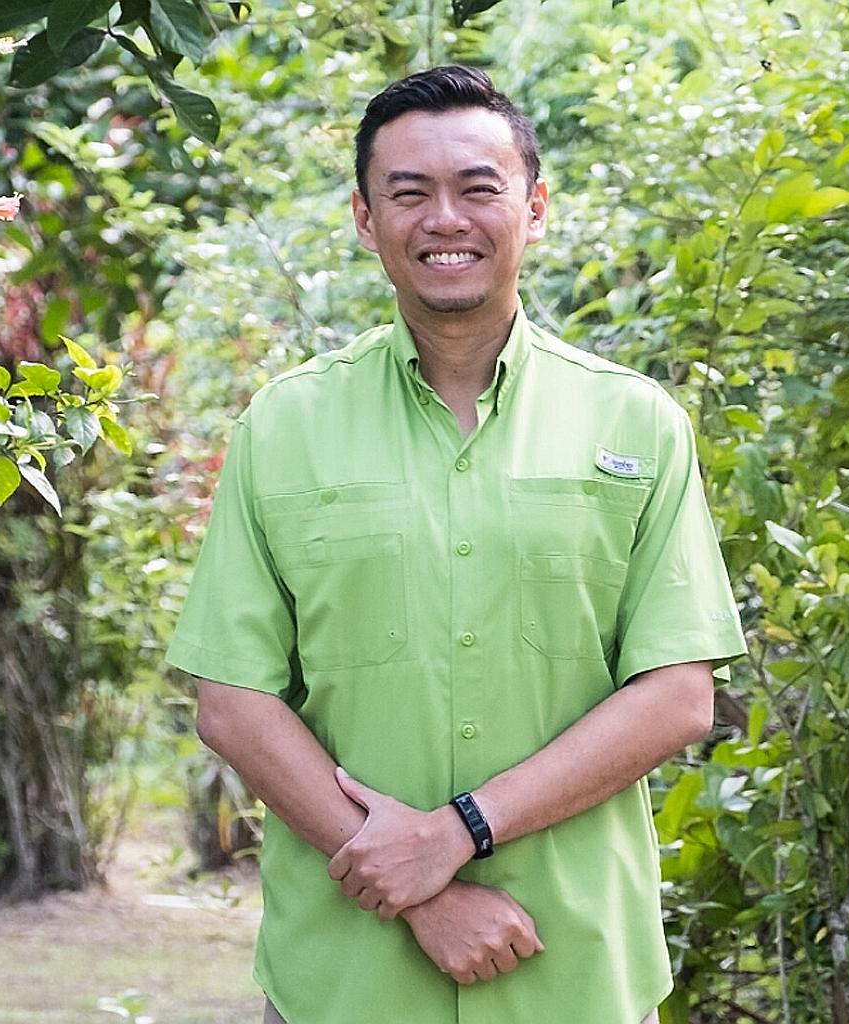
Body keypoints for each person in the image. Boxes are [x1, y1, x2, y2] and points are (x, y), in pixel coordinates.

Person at [165, 65, 746, 1024]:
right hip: (345, 984)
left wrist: (459, 832)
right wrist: (419, 891)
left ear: (535, 207)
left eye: (478, 188)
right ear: (365, 219)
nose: (446, 220)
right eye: (409, 193)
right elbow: (233, 701)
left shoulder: (636, 423)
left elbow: (679, 695)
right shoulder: (285, 426)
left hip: (578, 973)